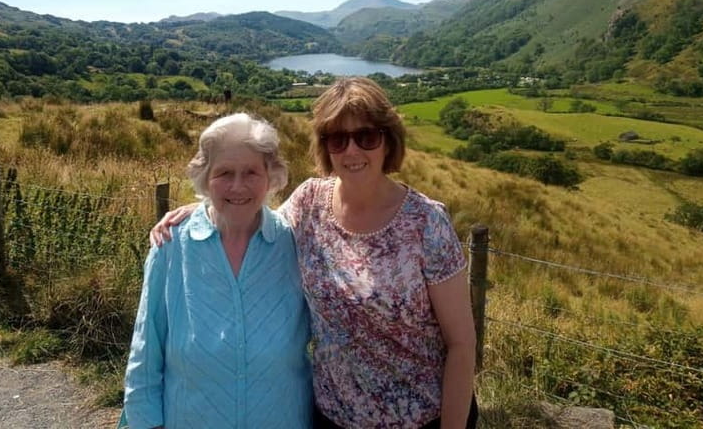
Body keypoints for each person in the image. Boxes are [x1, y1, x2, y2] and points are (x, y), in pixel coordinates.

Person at [152, 78, 477, 429]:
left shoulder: (427, 222)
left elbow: (461, 344)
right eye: (338, 139)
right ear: (326, 147)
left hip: (422, 419)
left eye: (366, 136)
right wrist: (203, 209)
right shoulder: (310, 204)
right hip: (330, 418)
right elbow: (257, 221)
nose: (352, 151)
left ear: (388, 140)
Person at [124, 113, 312, 429]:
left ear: (271, 176)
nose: (238, 186)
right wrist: (145, 423)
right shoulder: (171, 244)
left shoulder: (295, 242)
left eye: (251, 172)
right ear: (204, 178)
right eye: (224, 173)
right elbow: (146, 348)